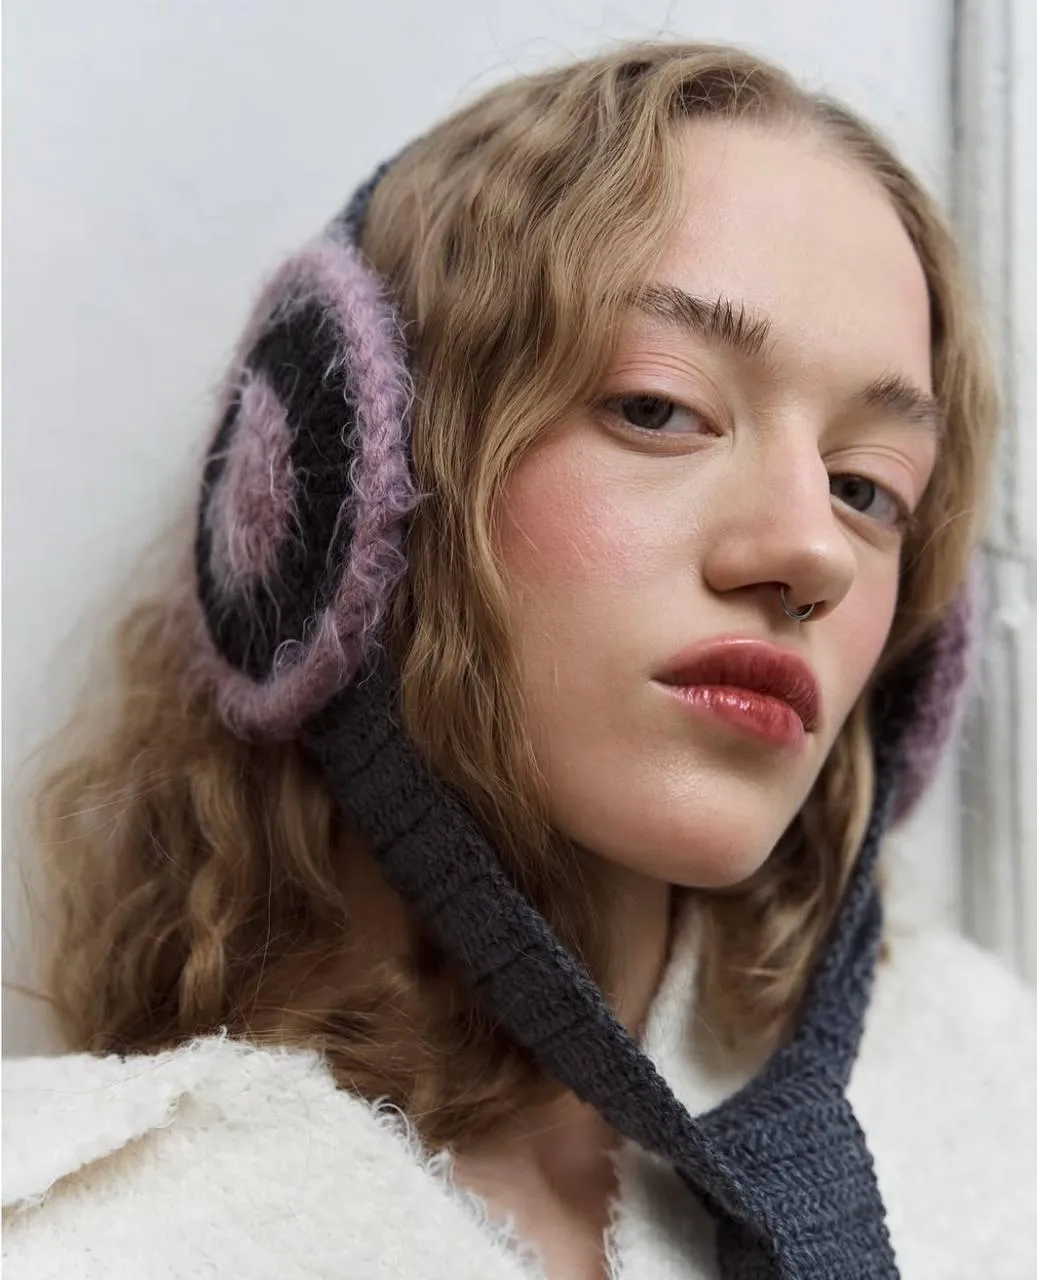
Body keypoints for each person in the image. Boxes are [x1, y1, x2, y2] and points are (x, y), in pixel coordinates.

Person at [3, 38, 1036, 1280]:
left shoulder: (999, 1113)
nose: (808, 548)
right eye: (657, 406)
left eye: (869, 487)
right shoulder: (91, 1234)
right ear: (327, 505)